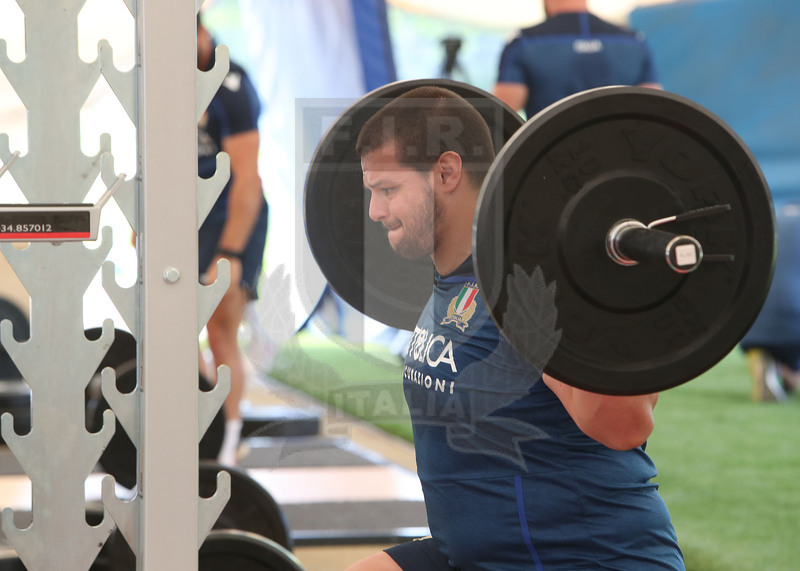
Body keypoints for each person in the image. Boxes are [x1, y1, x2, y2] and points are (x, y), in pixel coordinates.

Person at [345, 86, 683, 570]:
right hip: (473, 553)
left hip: (582, 558)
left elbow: (625, 425)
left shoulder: (532, 284)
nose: (375, 211)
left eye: (388, 190)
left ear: (446, 172)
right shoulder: (453, 280)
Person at [197, 17, 269, 465]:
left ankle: (225, 447)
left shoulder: (230, 83)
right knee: (172, 332)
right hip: (186, 218)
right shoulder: (160, 76)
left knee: (221, 332)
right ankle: (191, 433)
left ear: (201, 32)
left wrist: (232, 251)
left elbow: (248, 178)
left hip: (231, 218)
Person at [493, 0, 661, 119]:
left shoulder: (523, 43)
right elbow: (656, 109)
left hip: (552, 160)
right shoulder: (634, 42)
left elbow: (500, 120)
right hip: (620, 160)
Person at [740, 202, 800, 402]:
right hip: (792, 328)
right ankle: (790, 369)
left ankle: (775, 364)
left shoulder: (771, 222)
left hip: (748, 327)